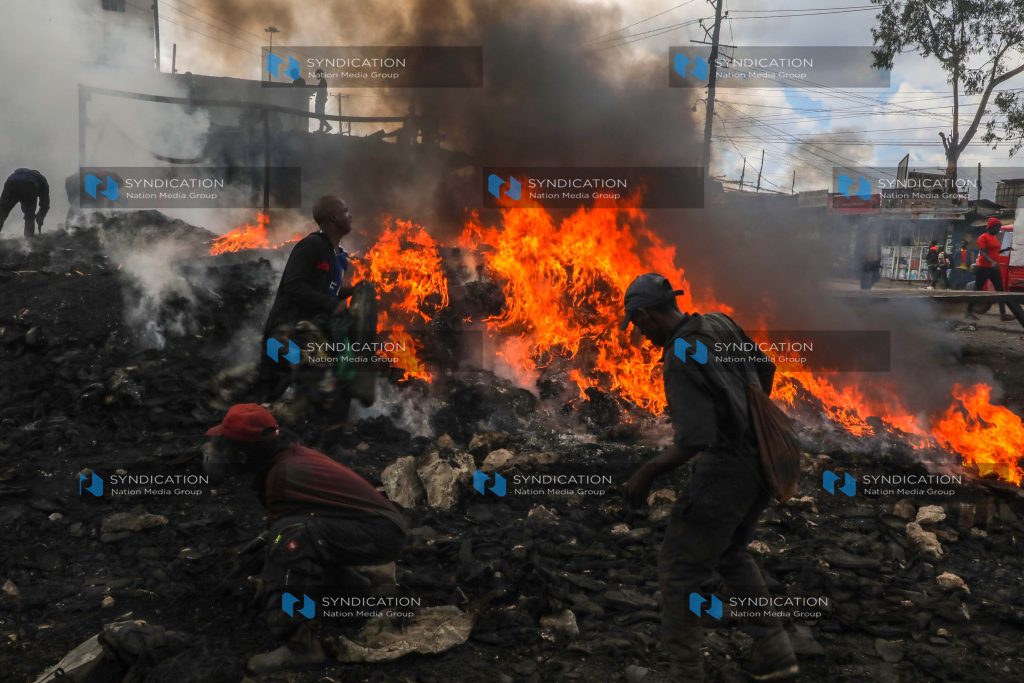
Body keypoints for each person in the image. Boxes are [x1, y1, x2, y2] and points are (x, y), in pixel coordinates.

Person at [620, 273, 798, 683]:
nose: (640, 335)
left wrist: (646, 474)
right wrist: (744, 413)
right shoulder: (719, 321)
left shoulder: (681, 354)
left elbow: (695, 440)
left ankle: (686, 674)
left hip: (729, 469)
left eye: (638, 325)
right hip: (769, 457)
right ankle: (775, 655)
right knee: (730, 552)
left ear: (646, 315)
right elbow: (765, 369)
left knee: (679, 568)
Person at [204, 403, 407, 674]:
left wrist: (269, 580)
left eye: (229, 446)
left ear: (246, 451)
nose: (225, 454)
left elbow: (288, 535)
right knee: (296, 533)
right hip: (376, 528)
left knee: (291, 538)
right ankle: (353, 589)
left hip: (380, 534)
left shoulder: (282, 475)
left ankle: (301, 644)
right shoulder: (288, 459)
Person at [256, 195, 355, 402]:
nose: (350, 215)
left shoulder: (338, 257)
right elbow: (293, 285)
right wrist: (331, 305)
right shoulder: (311, 245)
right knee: (312, 381)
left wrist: (354, 292)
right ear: (333, 217)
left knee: (278, 396)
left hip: (305, 337)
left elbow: (326, 293)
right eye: (346, 211)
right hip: (282, 337)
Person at [966, 217, 1014, 321]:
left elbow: (995, 252)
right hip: (983, 268)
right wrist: (992, 261)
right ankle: (968, 312)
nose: (999, 229)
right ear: (992, 227)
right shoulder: (983, 237)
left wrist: (1006, 249)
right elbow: (983, 252)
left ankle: (1003, 315)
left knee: (1000, 290)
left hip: (994, 268)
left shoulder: (994, 237)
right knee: (977, 291)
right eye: (998, 227)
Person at [0, 168, 49, 237]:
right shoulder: (42, 180)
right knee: (29, 216)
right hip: (29, 185)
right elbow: (45, 203)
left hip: (11, 183)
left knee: (1, 212)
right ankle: (29, 242)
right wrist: (40, 217)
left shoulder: (18, 172)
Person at [313, 69, 332, 134]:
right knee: (320, 115)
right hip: (321, 100)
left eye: (317, 75)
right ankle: (321, 130)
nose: (316, 76)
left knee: (318, 114)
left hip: (320, 100)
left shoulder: (323, 81)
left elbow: (322, 91)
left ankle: (328, 126)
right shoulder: (323, 81)